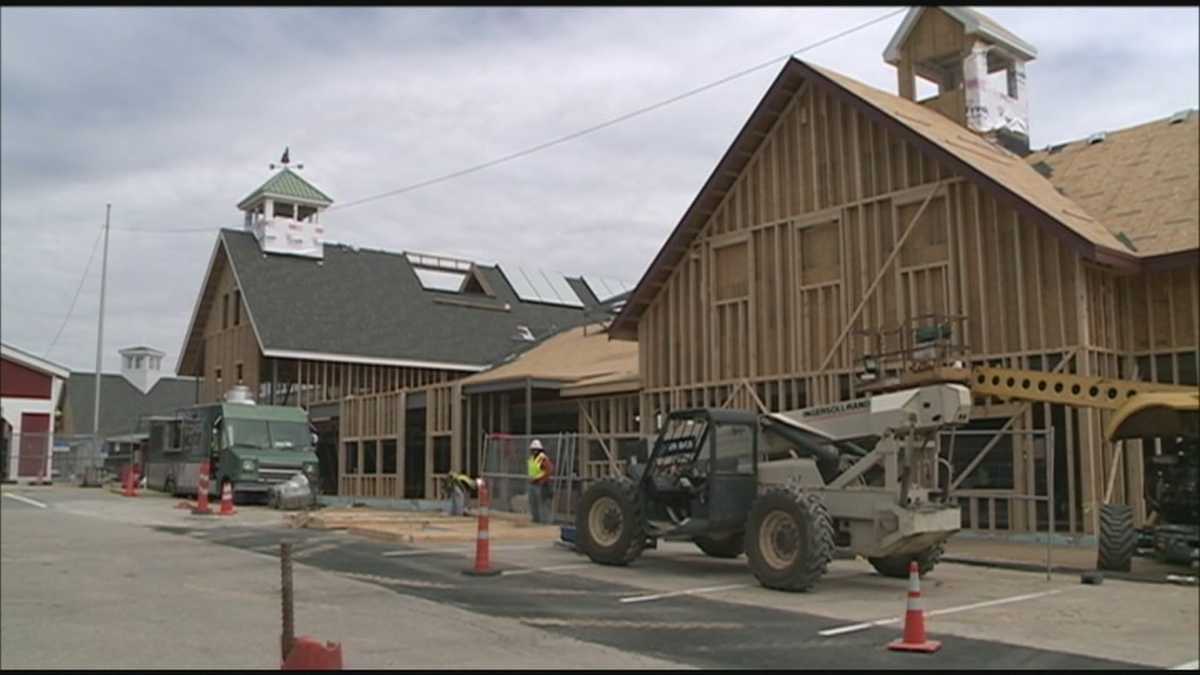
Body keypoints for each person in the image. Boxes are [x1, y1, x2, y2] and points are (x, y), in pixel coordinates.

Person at [526, 440, 554, 524]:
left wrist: (539, 479)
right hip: (532, 483)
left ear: (540, 450)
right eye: (533, 449)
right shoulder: (531, 459)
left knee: (543, 504)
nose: (534, 451)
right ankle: (536, 520)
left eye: (536, 449)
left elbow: (549, 470)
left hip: (541, 484)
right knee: (533, 503)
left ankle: (546, 521)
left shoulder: (542, 458)